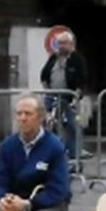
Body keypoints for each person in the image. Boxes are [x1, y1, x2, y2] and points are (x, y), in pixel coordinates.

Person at [39, 29, 87, 161]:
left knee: (73, 126)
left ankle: (74, 154)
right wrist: (46, 88)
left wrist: (77, 93)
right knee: (48, 124)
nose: (61, 46)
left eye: (64, 43)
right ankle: (48, 153)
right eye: (59, 43)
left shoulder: (77, 59)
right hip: (52, 97)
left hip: (69, 98)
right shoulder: (53, 58)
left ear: (70, 44)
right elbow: (44, 74)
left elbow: (82, 79)